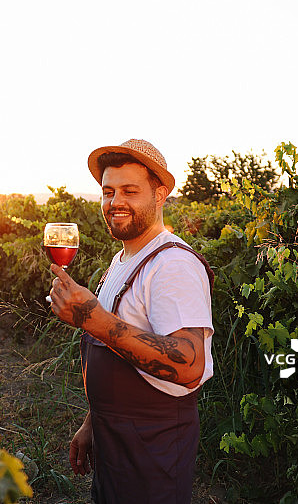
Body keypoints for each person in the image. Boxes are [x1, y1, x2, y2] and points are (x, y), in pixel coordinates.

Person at [48, 139, 215, 504]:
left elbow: (188, 363)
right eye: (108, 192)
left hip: (152, 445)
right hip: (115, 438)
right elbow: (115, 347)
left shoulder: (172, 265)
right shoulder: (123, 260)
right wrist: (93, 423)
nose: (115, 202)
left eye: (129, 190)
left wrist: (94, 320)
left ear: (160, 195)